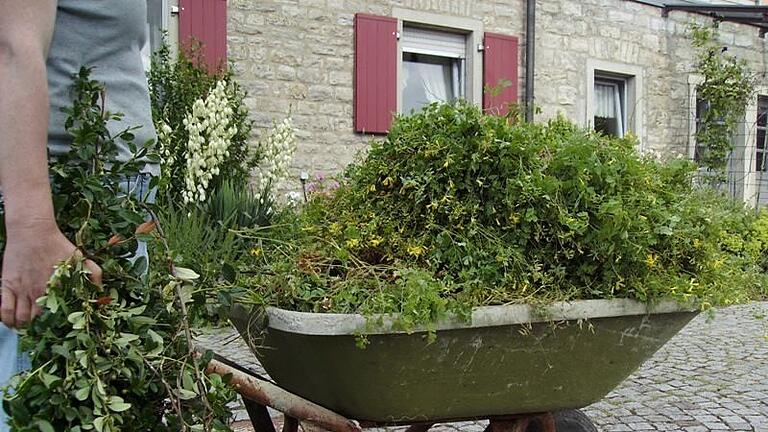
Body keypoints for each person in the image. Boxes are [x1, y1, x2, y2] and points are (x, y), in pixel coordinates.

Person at [0, 2, 159, 430]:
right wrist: (31, 225)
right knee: (38, 399)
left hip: (103, 187)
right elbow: (13, 44)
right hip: (66, 192)